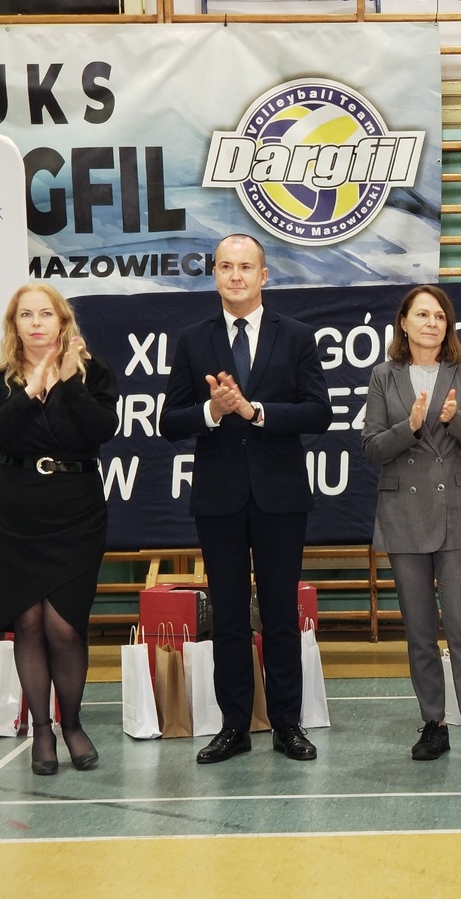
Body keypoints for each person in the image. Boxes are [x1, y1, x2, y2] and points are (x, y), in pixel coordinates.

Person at [161, 234, 332, 764]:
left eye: (245, 267)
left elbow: (319, 412)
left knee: (280, 615)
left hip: (281, 497)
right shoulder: (193, 339)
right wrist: (213, 411)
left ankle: (287, 725)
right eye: (226, 267)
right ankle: (234, 725)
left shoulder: (296, 335)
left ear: (264, 275)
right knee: (230, 619)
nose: (235, 276)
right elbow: (170, 421)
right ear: (214, 274)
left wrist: (255, 412)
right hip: (220, 499)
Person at [0, 282, 119, 775]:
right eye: (26, 315)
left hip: (76, 510)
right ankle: (42, 730)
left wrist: (69, 383)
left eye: (45, 314)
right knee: (29, 622)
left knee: (64, 624)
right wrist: (29, 391)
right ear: (14, 325)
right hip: (15, 510)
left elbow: (101, 430)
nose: (36, 323)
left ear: (62, 321)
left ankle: (72, 724)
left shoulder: (93, 372)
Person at [362, 285, 461, 770]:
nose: (431, 323)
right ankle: (433, 723)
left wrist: (454, 419)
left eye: (439, 316)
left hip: (457, 514)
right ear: (404, 322)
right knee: (419, 629)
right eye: (422, 315)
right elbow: (372, 447)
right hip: (403, 515)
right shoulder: (384, 375)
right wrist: (411, 427)